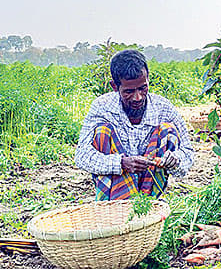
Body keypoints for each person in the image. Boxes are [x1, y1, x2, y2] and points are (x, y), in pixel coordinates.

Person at [75, 49, 195, 200]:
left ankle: (150, 202)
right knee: (102, 132)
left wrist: (175, 160)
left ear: (148, 80)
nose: (138, 97)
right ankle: (114, 205)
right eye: (129, 91)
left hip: (150, 187)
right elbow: (82, 156)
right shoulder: (102, 108)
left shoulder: (163, 108)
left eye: (142, 88)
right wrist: (121, 163)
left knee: (168, 130)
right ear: (114, 86)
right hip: (114, 189)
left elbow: (188, 152)